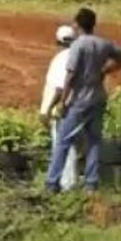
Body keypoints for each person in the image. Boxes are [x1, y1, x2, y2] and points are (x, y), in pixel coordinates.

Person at [45, 7, 121, 193]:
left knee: (63, 141)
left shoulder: (78, 46)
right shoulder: (103, 44)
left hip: (80, 99)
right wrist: (105, 71)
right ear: (93, 24)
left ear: (77, 24)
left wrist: (63, 102)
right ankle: (91, 183)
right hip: (98, 98)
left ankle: (51, 182)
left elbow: (70, 76)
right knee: (94, 141)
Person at [39, 25, 81, 190]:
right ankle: (78, 182)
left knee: (64, 146)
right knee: (78, 146)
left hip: (64, 109)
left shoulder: (60, 59)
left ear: (57, 41)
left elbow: (60, 88)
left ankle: (67, 186)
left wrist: (47, 110)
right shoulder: (81, 56)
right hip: (83, 107)